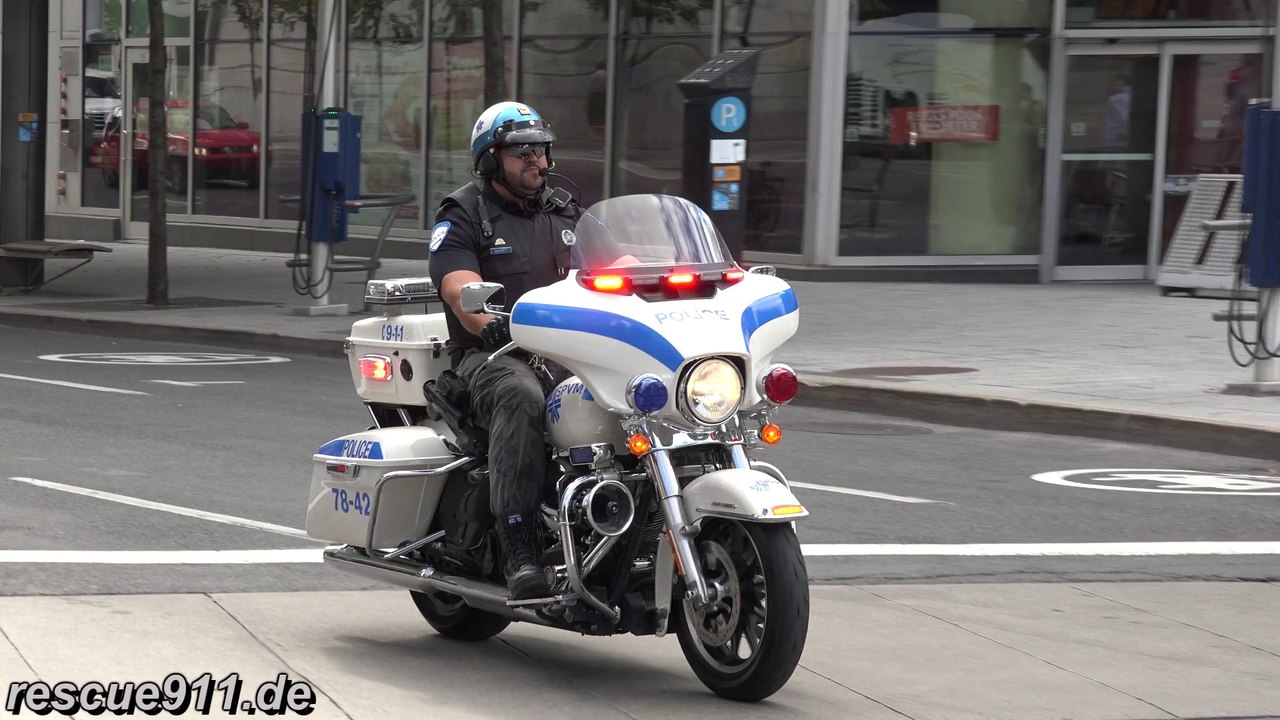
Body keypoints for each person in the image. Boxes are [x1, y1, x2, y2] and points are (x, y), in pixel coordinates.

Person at [426, 101, 582, 601]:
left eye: (541, 150)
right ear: (491, 159)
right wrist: (486, 320)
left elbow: (613, 261)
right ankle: (520, 545)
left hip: (566, 352)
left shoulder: (563, 211)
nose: (537, 161)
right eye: (522, 152)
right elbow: (457, 284)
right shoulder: (463, 214)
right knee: (521, 395)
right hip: (492, 356)